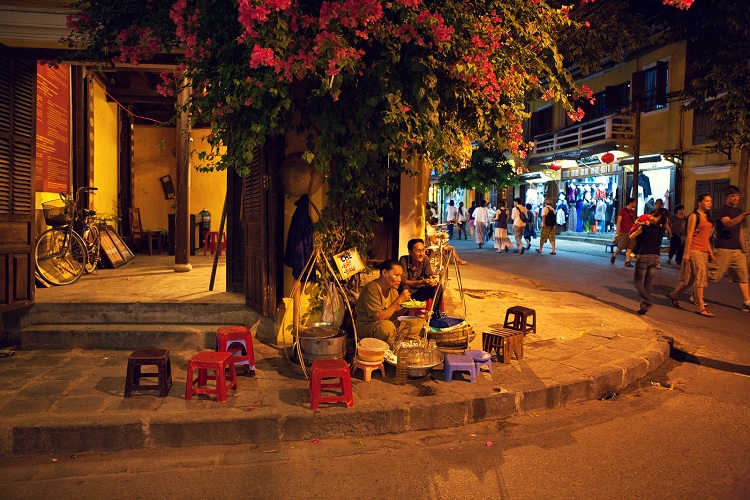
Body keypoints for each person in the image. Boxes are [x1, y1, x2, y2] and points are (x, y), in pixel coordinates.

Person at [667, 194, 715, 317]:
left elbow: (706, 237)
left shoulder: (707, 217)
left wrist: (710, 252)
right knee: (700, 278)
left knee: (690, 279)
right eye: (707, 201)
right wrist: (686, 253)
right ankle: (700, 307)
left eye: (710, 201)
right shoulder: (694, 216)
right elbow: (689, 235)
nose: (709, 203)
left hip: (704, 251)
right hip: (695, 250)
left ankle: (674, 294)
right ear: (699, 202)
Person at [709, 185, 750, 312]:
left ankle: (747, 303)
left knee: (743, 276)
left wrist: (744, 247)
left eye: (737, 196)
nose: (736, 198)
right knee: (714, 275)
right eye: (732, 196)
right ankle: (697, 293)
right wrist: (744, 215)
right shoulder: (722, 210)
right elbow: (729, 223)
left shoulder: (739, 211)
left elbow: (741, 230)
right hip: (723, 247)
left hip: (737, 249)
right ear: (726, 197)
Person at [354, 259, 411, 345]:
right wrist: (398, 301)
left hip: (390, 324)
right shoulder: (372, 289)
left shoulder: (393, 290)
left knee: (419, 323)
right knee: (387, 327)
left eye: (400, 276)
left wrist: (407, 307)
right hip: (369, 326)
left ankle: (398, 340)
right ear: (384, 273)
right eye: (396, 275)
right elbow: (378, 317)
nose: (399, 279)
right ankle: (392, 348)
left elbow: (394, 314)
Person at [630, 210, 667, 315]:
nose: (650, 217)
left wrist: (639, 224)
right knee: (648, 282)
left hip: (644, 255)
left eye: (652, 217)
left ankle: (647, 300)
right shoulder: (661, 229)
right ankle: (643, 306)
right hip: (656, 257)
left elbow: (631, 236)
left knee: (638, 280)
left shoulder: (645, 228)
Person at [398, 238, 443, 317]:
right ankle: (405, 318)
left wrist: (432, 280)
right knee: (404, 287)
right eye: (418, 251)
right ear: (410, 252)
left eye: (423, 250)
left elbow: (429, 275)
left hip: (419, 292)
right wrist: (421, 282)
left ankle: (436, 315)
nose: (421, 253)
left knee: (438, 286)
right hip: (406, 293)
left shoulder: (425, 259)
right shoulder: (403, 260)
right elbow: (403, 281)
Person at [611, 197, 637, 267]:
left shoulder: (633, 212)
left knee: (630, 247)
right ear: (631, 203)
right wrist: (617, 231)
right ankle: (614, 255)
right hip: (624, 231)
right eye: (634, 202)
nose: (635, 204)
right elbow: (619, 222)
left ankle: (627, 261)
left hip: (631, 232)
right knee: (621, 246)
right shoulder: (622, 211)